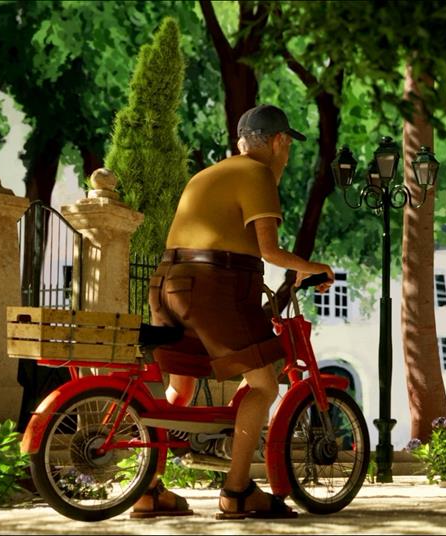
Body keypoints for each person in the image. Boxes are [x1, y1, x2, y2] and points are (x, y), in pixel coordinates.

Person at [132, 104, 335, 520]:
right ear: (279, 141)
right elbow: (269, 250)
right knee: (263, 384)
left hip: (169, 284)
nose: (287, 155)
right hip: (214, 288)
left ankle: (148, 489)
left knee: (180, 388)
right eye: (287, 146)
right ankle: (238, 490)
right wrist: (314, 267)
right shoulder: (257, 174)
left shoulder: (207, 175)